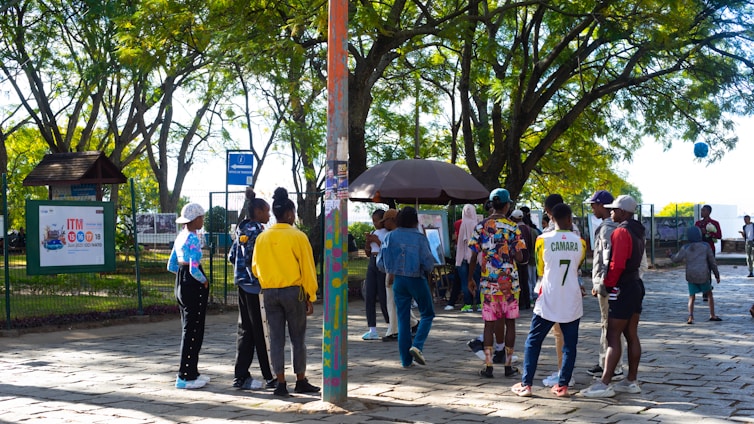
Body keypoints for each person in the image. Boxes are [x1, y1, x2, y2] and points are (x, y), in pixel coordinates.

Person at [511, 203, 586, 398]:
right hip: (571, 298)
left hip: (549, 297)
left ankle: (526, 384)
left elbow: (540, 269)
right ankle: (562, 386)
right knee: (569, 344)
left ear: (551, 218)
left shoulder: (542, 240)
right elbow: (577, 265)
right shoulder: (581, 242)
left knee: (533, 341)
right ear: (570, 220)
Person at [251, 187, 320, 397]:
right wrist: (310, 295)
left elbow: (255, 267)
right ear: (289, 214)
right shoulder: (298, 236)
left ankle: (280, 382)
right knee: (297, 338)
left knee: (276, 339)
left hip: (270, 292)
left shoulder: (262, 237)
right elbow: (307, 268)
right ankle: (300, 380)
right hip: (293, 292)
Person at [582, 195, 645, 398]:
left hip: (622, 286)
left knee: (612, 335)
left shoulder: (621, 232)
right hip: (635, 284)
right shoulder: (638, 232)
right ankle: (631, 380)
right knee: (631, 334)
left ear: (623, 212)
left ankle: (605, 382)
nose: (612, 212)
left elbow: (616, 264)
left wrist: (607, 285)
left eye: (615, 210)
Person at [468, 188, 526, 378]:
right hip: (509, 282)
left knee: (489, 325)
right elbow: (519, 256)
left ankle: (488, 366)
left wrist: (470, 278)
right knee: (510, 324)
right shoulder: (513, 227)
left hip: (488, 282)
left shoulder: (481, 226)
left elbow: (473, 255)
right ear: (508, 205)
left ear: (491, 204)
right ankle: (508, 366)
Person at [228, 187, 276, 390]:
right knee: (262, 332)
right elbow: (252, 260)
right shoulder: (258, 232)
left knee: (245, 330)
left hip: (241, 285)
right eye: (266, 211)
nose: (269, 215)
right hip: (255, 287)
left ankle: (241, 376)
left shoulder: (241, 229)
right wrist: (259, 279)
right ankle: (270, 375)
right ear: (257, 212)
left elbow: (232, 256)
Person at [377, 206, 436, 368]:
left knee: (402, 320)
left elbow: (380, 263)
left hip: (398, 281)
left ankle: (406, 360)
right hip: (416, 279)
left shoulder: (390, 237)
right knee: (427, 313)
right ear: (415, 220)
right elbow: (428, 262)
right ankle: (417, 346)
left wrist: (392, 270)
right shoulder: (419, 238)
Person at [539, 193, 583, 388]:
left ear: (549, 212)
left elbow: (541, 266)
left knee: (557, 334)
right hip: (572, 285)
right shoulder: (576, 233)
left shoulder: (548, 233)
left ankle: (564, 374)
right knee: (569, 336)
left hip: (553, 289)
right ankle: (565, 371)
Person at [584, 190, 625, 381]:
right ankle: (604, 362)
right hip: (608, 282)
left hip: (608, 284)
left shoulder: (607, 229)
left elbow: (605, 259)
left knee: (610, 326)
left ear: (603, 206)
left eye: (594, 205)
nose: (592, 208)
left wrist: (602, 282)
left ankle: (613, 367)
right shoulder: (611, 227)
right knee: (607, 325)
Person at [167, 203, 210, 390]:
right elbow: (194, 267)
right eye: (201, 217)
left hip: (181, 281)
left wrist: (182, 278)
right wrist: (203, 280)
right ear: (195, 219)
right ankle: (185, 375)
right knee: (194, 331)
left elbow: (171, 265)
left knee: (189, 327)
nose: (202, 220)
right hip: (193, 283)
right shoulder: (192, 238)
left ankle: (192, 371)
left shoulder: (180, 237)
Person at [668, 226, 722, 323]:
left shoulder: (686, 247)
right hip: (703, 275)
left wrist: (670, 255)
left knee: (691, 296)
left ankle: (690, 317)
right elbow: (712, 262)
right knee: (709, 294)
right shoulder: (705, 246)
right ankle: (712, 315)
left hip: (691, 275)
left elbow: (676, 259)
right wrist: (717, 275)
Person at [381, 209, 420, 341]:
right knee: (400, 300)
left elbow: (391, 256)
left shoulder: (392, 236)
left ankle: (394, 330)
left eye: (384, 221)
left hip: (394, 271)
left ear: (391, 220)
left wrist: (391, 273)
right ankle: (413, 322)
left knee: (392, 301)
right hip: (407, 272)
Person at [362, 209, 390, 340]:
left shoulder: (388, 233)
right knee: (370, 295)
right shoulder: (374, 232)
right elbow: (368, 252)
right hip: (372, 262)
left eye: (376, 220)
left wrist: (377, 240)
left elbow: (387, 248)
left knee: (384, 295)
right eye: (372, 221)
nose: (374, 223)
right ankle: (372, 328)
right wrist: (368, 242)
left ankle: (391, 325)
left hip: (382, 262)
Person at [447, 204, 480, 312]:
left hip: (464, 258)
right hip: (476, 258)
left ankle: (468, 304)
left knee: (465, 282)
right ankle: (480, 304)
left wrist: (458, 259)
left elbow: (460, 244)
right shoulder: (478, 225)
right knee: (478, 281)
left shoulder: (461, 225)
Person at [695, 205, 721, 302]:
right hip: (699, 249)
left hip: (710, 249)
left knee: (709, 269)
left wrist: (708, 233)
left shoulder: (715, 223)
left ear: (709, 212)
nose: (701, 212)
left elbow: (719, 235)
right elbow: (694, 235)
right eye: (701, 210)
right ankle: (705, 288)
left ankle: (706, 292)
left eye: (703, 211)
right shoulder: (698, 223)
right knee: (702, 270)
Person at [509, 209, 532, 310]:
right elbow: (530, 243)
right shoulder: (527, 228)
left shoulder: (515, 228)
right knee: (525, 280)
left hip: (518, 257)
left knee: (518, 281)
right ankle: (527, 302)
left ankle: (521, 302)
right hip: (526, 257)